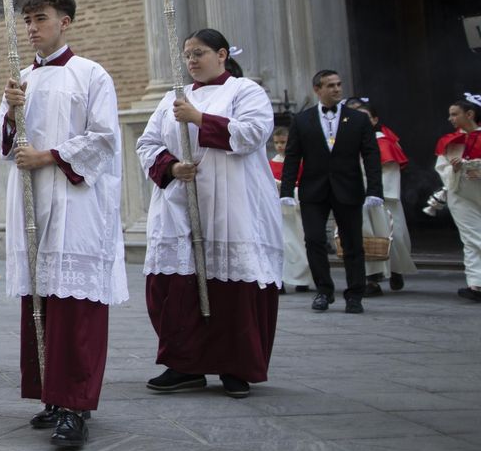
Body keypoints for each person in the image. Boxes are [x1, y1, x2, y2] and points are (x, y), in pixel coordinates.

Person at [0, 0, 127, 449]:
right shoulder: (21, 79)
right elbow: (0, 143)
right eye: (26, 20)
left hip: (75, 201)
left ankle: (76, 405)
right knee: (41, 302)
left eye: (40, 19)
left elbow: (105, 138)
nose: (31, 27)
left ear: (65, 22)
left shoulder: (91, 74)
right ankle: (51, 393)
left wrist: (49, 155)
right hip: (31, 200)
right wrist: (11, 112)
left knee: (76, 309)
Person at [138, 31, 284, 398]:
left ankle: (236, 367)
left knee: (233, 291)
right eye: (186, 55)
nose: (190, 60)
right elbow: (147, 143)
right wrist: (171, 168)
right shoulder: (172, 98)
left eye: (198, 53)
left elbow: (252, 134)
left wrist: (199, 118)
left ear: (221, 54)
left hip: (232, 204)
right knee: (172, 288)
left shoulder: (244, 91)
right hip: (181, 204)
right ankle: (185, 364)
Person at [278, 69, 382, 313]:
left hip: (349, 188)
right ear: (317, 90)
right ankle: (323, 291)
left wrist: (374, 189)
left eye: (339, 84)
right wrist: (286, 190)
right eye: (331, 85)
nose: (337, 89)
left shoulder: (358, 120)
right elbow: (292, 156)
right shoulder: (302, 120)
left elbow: (371, 155)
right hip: (313, 190)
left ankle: (355, 294)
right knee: (314, 240)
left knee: (353, 243)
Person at [345, 98, 416, 294]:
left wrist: (376, 193)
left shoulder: (382, 141)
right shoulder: (350, 141)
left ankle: (395, 270)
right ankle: (371, 280)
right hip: (356, 196)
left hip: (381, 198)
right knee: (364, 237)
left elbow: (390, 173)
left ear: (375, 120)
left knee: (392, 237)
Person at [438, 94, 481, 302]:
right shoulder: (450, 142)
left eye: (454, 114)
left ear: (470, 114)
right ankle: (476, 284)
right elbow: (441, 167)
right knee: (471, 238)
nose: (450, 119)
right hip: (460, 193)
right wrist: (454, 169)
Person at [269, 123, 311, 293]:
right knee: (282, 244)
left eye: (283, 142)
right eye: (277, 143)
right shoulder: (271, 163)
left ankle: (302, 280)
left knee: (299, 243)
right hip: (278, 210)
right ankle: (282, 279)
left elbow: (304, 182)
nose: (279, 146)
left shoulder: (299, 162)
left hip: (296, 208)